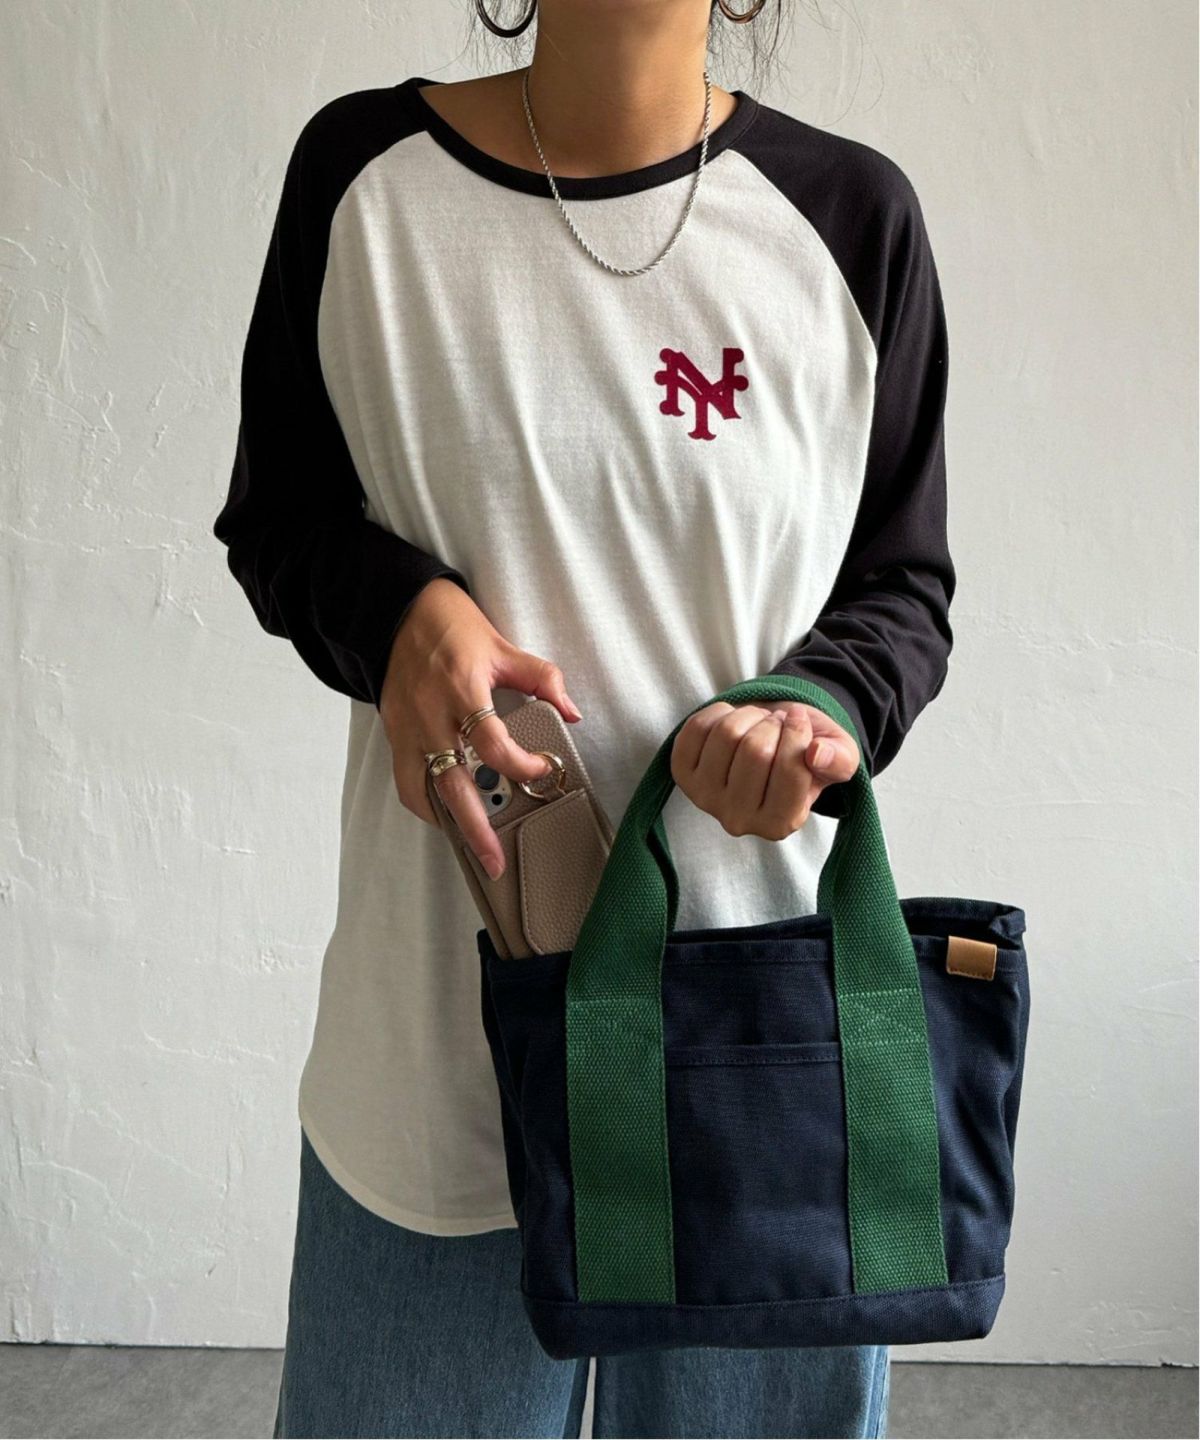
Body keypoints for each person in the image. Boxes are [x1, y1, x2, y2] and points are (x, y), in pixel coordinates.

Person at [213, 1, 954, 1434]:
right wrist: (403, 614)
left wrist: (815, 713)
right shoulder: (363, 185)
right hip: (437, 1050)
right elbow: (280, 519)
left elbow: (901, 587)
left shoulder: (851, 219)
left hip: (758, 1050)